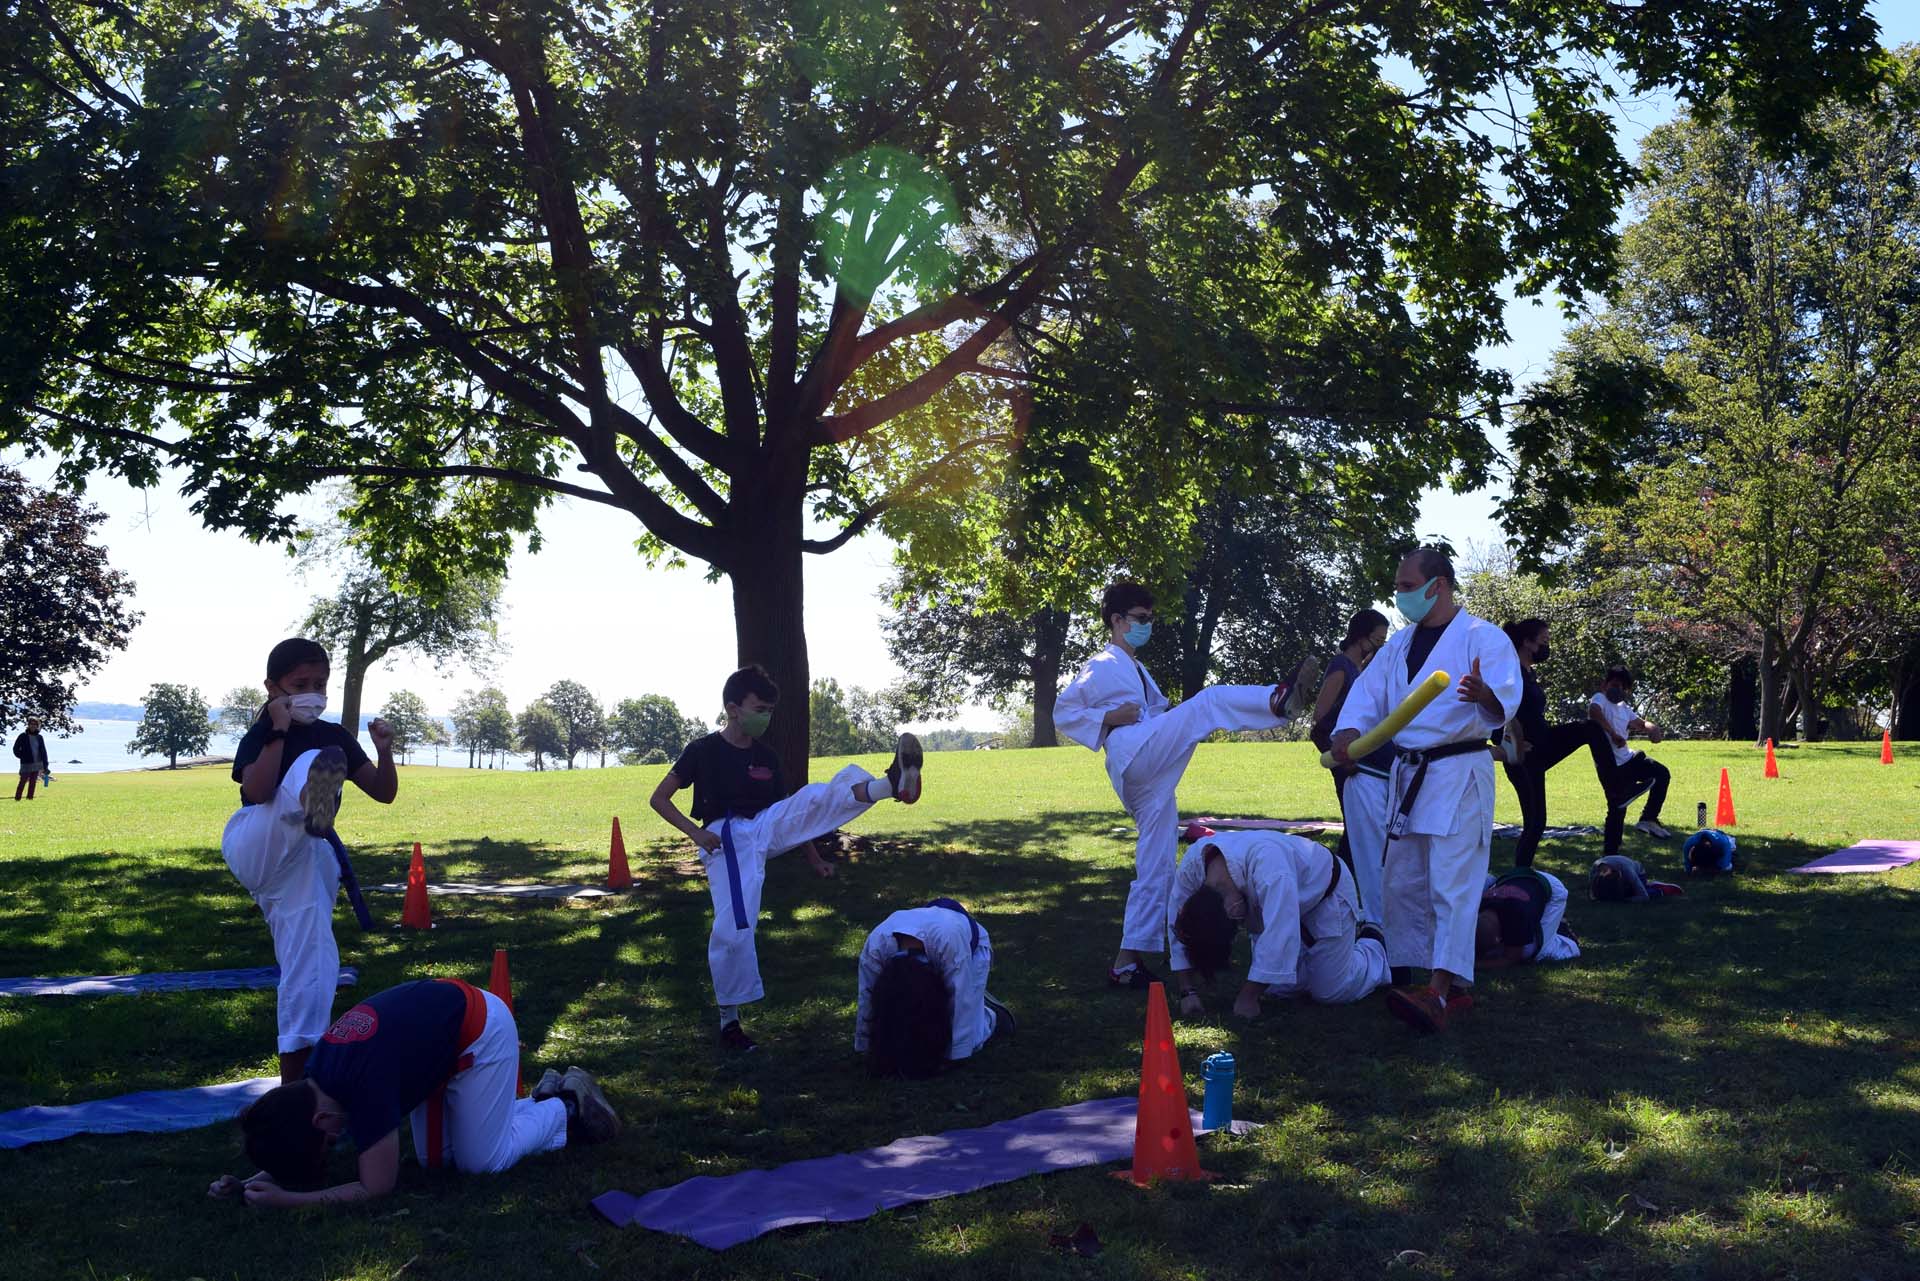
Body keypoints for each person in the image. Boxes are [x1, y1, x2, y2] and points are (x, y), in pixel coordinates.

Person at [1053, 581, 1316, 992]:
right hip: (1134, 754)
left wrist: (1171, 724)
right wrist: (1107, 720)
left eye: (1150, 620)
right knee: (1208, 703)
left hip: (1148, 773)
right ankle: (1276, 701)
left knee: (1156, 869)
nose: (1146, 626)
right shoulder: (1102, 663)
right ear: (1117, 620)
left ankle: (1127, 962)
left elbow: (1162, 715)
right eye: (1140, 619)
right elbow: (1064, 711)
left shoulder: (1138, 670)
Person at [651, 663, 923, 1053]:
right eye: (759, 708)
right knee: (735, 926)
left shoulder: (767, 757)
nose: (765, 716)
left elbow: (795, 816)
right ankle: (730, 1022)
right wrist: (696, 832)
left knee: (812, 797)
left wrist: (814, 860)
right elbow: (659, 798)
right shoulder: (702, 751)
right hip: (726, 838)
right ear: (732, 708)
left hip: (764, 825)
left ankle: (890, 784)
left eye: (769, 710)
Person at [207, 977, 618, 1208]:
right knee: (436, 1160)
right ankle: (539, 1101)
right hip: (442, 1037)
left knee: (481, 1162)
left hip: (480, 1031)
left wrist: (286, 1200)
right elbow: (291, 1126)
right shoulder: (319, 1078)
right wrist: (250, 1181)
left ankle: (564, 1106)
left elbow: (377, 1186)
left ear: (320, 1121)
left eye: (328, 1143)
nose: (337, 1145)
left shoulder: (360, 1086)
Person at [1330, 548, 1521, 1034]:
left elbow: (1505, 699)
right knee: (1405, 881)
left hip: (1458, 771)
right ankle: (1432, 982)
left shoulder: (1482, 637)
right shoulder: (1399, 645)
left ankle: (1438, 990)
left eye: (1407, 585)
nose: (1400, 594)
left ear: (1438, 585)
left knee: (1452, 883)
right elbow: (1367, 696)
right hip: (1409, 773)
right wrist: (1348, 733)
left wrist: (1487, 696)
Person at [225, 638, 398, 1084]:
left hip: (304, 861)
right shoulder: (263, 731)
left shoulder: (335, 735)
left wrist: (384, 748)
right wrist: (278, 729)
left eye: (320, 683)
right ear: (272, 687)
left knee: (314, 964)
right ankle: (310, 805)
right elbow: (258, 793)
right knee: (310, 767)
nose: (314, 692)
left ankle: (298, 1081)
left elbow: (383, 792)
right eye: (300, 684)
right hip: (258, 841)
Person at [1167, 829, 1389, 1019]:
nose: (1240, 924)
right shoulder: (1193, 867)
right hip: (1277, 902)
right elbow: (1181, 928)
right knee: (1280, 988)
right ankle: (1315, 958)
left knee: (1329, 991)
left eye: (1237, 922)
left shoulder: (1270, 870)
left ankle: (1375, 944)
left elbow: (1279, 936)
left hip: (1326, 895)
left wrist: (1248, 997)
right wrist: (1188, 991)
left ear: (1232, 909)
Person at [1497, 620, 1627, 867]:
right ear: (1527, 642)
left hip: (1542, 744)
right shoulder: (1510, 672)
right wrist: (1507, 742)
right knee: (1535, 823)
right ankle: (1519, 876)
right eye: (1544, 641)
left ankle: (1616, 789)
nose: (1548, 646)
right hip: (1523, 756)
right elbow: (1493, 709)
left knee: (1589, 728)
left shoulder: (1529, 673)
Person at [854, 899, 1014, 1077]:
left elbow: (961, 1000)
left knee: (972, 1039)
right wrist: (867, 1046)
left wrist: (954, 1057)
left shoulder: (951, 945)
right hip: (938, 936)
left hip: (971, 950)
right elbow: (866, 996)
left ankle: (990, 1016)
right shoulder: (876, 947)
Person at [1312, 609, 1391, 919]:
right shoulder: (1342, 667)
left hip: (1363, 761)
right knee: (1354, 833)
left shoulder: (1361, 671)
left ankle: (1339, 896)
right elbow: (1320, 718)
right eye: (1377, 640)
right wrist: (1340, 760)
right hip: (1346, 763)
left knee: (1355, 833)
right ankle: (1333, 895)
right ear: (1361, 637)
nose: (1380, 647)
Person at [1589, 666, 1672, 844]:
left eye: (1622, 688)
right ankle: (1610, 855)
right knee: (1617, 810)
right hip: (1611, 768)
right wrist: (1612, 733)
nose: (1617, 690)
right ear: (1605, 684)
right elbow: (1594, 713)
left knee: (1661, 773)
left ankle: (1648, 818)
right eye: (1614, 685)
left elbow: (1641, 724)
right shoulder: (1600, 699)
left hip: (1630, 760)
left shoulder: (1624, 708)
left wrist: (1652, 728)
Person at [1476, 867, 1582, 969]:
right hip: (1524, 878)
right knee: (1499, 949)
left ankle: (1565, 938)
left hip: (1552, 889)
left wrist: (1476, 965)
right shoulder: (1479, 905)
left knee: (1531, 952)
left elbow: (1511, 959)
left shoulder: (1516, 916)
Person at [1589, 854, 1684, 901]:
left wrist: (1624, 900)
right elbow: (1593, 891)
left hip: (1639, 874)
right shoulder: (1595, 868)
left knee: (1633, 893)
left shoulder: (1626, 869)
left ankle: (1661, 889)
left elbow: (1644, 897)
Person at [13, 716, 48, 801]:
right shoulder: (22, 736)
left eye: (35, 724)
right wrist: (22, 756)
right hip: (26, 763)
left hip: (37, 763)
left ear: (37, 726)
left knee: (33, 782)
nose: (33, 726)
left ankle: (30, 798)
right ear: (28, 725)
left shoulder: (40, 737)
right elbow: (15, 749)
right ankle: (17, 798)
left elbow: (43, 751)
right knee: (23, 781)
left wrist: (45, 764)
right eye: (31, 724)